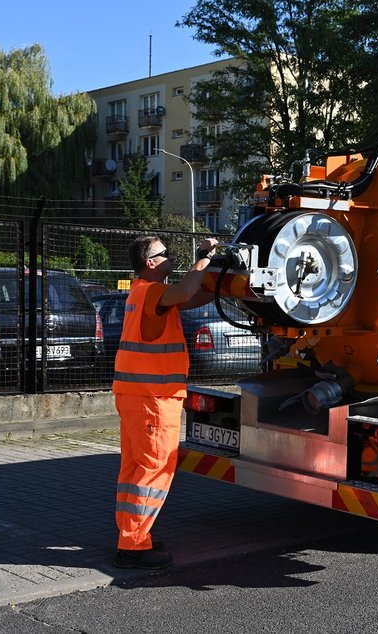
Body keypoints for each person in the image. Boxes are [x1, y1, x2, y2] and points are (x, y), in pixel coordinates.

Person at [112, 235, 218, 569]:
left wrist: (218, 278)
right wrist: (204, 257)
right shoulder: (153, 292)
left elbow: (192, 297)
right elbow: (186, 292)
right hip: (154, 400)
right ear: (150, 263)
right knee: (154, 471)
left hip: (135, 397)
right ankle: (134, 547)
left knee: (134, 470)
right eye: (165, 254)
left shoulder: (141, 292)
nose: (170, 257)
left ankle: (131, 536)